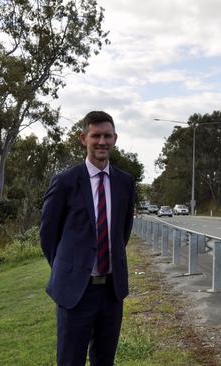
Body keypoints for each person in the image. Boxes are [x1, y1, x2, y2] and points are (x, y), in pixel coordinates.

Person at [40, 111, 136, 366]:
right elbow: (48, 236)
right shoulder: (65, 182)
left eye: (107, 136)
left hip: (111, 292)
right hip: (76, 292)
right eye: (96, 136)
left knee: (104, 360)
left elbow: (122, 233)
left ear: (115, 138)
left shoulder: (125, 183)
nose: (102, 141)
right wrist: (70, 269)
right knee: (70, 360)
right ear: (83, 138)